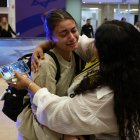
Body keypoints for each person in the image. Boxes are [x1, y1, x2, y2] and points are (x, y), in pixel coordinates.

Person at [10, 20, 140, 140]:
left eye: (96, 43)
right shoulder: (128, 65)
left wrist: (28, 84)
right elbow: (81, 42)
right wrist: (45, 44)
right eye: (64, 33)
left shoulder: (104, 99)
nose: (72, 38)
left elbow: (59, 113)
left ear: (105, 52)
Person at [15, 9, 97, 140]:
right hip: (41, 129)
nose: (71, 37)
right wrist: (65, 134)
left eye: (74, 30)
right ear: (51, 37)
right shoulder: (45, 63)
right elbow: (41, 109)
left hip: (64, 121)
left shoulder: (77, 54)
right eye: (64, 34)